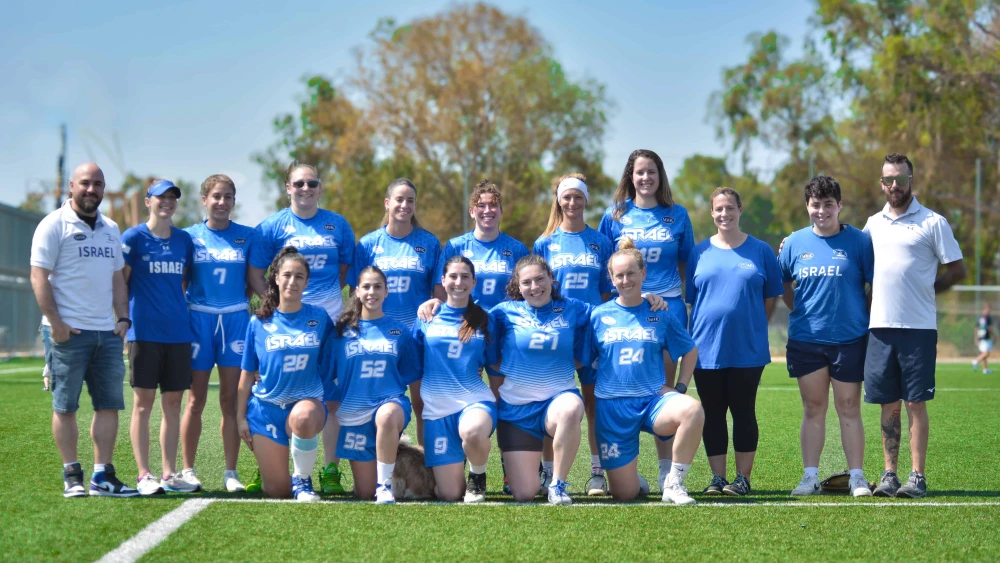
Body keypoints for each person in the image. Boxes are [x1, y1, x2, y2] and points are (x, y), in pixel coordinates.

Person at [30, 162, 138, 498]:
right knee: (66, 406)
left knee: (109, 405)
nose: (92, 190)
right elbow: (38, 277)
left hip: (106, 333)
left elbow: (117, 278)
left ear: (104, 189)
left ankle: (102, 476)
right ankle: (71, 475)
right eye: (85, 183)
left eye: (98, 184)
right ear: (71, 186)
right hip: (68, 334)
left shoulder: (110, 227)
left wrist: (122, 319)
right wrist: (58, 324)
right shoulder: (52, 225)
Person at [247, 163, 355, 495]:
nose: (306, 188)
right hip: (282, 326)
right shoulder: (271, 226)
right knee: (274, 387)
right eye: (299, 183)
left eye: (312, 183)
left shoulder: (337, 224)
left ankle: (330, 470)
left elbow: (343, 271)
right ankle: (269, 462)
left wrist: (322, 308)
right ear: (287, 187)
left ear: (320, 187)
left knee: (331, 399)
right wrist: (275, 307)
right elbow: (255, 272)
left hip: (329, 326)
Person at [863, 153, 965, 498]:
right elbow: (855, 264)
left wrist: (927, 289)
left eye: (901, 179)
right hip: (880, 328)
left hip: (918, 329)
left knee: (914, 403)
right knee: (888, 404)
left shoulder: (933, 222)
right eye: (889, 179)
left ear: (912, 180)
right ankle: (889, 474)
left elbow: (957, 270)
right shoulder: (872, 224)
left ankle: (917, 476)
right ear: (881, 184)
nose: (895, 185)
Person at [599, 149, 695, 490]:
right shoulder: (615, 215)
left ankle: (666, 470)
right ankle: (625, 469)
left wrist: (676, 300)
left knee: (660, 390)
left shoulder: (677, 214)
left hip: (664, 309)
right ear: (630, 176)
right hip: (624, 309)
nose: (645, 178)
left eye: (651, 171)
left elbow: (687, 264)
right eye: (639, 172)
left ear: (660, 175)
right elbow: (605, 265)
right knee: (626, 384)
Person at [586, 239, 704, 505]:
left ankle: (674, 483)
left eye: (631, 273)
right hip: (612, 409)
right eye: (619, 275)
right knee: (626, 494)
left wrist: (680, 387)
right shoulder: (598, 316)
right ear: (611, 278)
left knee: (692, 410)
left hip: (652, 400)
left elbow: (690, 350)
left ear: (643, 274)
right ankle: (630, 477)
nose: (625, 280)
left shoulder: (659, 312)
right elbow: (585, 359)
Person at [778, 176, 875, 497]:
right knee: (813, 407)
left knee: (849, 406)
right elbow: (784, 286)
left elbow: (873, 287)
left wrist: (860, 317)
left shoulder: (860, 242)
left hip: (849, 339)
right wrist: (803, 313)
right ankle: (810, 477)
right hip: (807, 340)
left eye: (828, 205)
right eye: (816, 205)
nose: (822, 211)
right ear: (807, 206)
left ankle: (857, 477)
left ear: (840, 206)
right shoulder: (793, 243)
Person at [686, 187, 783, 497]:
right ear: (712, 213)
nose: (724, 214)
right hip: (705, 348)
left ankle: (742, 479)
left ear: (740, 210)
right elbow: (693, 299)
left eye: (730, 208)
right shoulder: (698, 252)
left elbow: (771, 297)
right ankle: (717, 478)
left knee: (743, 411)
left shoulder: (761, 251)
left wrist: (754, 326)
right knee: (712, 413)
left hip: (747, 348)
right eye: (718, 209)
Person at [534, 173, 614, 495]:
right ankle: (548, 473)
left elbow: (609, 291)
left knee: (594, 402)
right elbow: (538, 291)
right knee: (549, 400)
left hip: (593, 331)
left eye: (578, 197)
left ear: (586, 200)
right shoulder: (545, 242)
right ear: (559, 200)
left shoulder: (601, 241)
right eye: (566, 197)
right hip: (559, 330)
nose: (572, 203)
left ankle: (597, 472)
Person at [237, 247, 334, 501]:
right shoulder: (258, 322)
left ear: (307, 282)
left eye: (299, 276)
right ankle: (281, 473)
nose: (292, 281)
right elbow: (247, 374)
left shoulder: (320, 318)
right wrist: (240, 418)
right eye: (287, 275)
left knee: (303, 417)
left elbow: (335, 354)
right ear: (276, 278)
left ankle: (302, 479)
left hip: (306, 404)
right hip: (265, 408)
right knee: (277, 491)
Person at [121, 180, 199, 496]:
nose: (167, 202)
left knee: (173, 402)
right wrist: (123, 322)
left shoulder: (184, 240)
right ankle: (144, 475)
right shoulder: (133, 238)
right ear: (148, 201)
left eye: (172, 198)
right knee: (143, 403)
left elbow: (184, 281)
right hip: (144, 332)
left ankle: (169, 473)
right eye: (161, 197)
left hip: (178, 332)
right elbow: (122, 284)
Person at [350, 178, 441, 446]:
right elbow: (358, 292)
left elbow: (438, 292)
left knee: (423, 404)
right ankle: (376, 465)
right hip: (378, 334)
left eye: (410, 200)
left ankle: (425, 468)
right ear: (387, 203)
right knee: (377, 402)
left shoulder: (429, 243)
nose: (404, 205)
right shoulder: (368, 244)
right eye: (399, 199)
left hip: (417, 334)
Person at [180, 174, 254, 492]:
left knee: (231, 400)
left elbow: (253, 281)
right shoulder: (189, 237)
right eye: (216, 196)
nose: (222, 202)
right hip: (199, 320)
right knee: (195, 399)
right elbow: (181, 282)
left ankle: (230, 472)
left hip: (236, 320)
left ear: (233, 202)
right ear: (205, 200)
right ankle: (187, 470)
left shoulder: (248, 236)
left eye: (228, 197)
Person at [411, 256, 498, 502]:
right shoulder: (426, 316)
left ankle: (477, 477)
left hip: (474, 402)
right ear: (443, 280)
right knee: (449, 494)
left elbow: (494, 365)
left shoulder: (485, 318)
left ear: (474, 282)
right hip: (437, 412)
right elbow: (416, 364)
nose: (458, 282)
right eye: (453, 276)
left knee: (471, 431)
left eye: (465, 277)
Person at [331, 266, 420, 504]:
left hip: (390, 403)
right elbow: (326, 373)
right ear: (357, 291)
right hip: (355, 413)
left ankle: (385, 485)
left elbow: (411, 373)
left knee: (388, 415)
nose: (372, 292)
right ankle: (389, 463)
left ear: (386, 292)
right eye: (367, 287)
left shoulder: (399, 331)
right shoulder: (341, 333)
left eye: (378, 286)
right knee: (363, 493)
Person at [973, 304, 993, 374]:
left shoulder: (980, 317)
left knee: (984, 353)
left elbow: (976, 328)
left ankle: (985, 369)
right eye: (988, 309)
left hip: (981, 337)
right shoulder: (987, 317)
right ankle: (976, 361)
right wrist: (994, 335)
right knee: (986, 353)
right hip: (986, 337)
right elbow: (989, 328)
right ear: (984, 309)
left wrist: (976, 338)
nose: (989, 310)